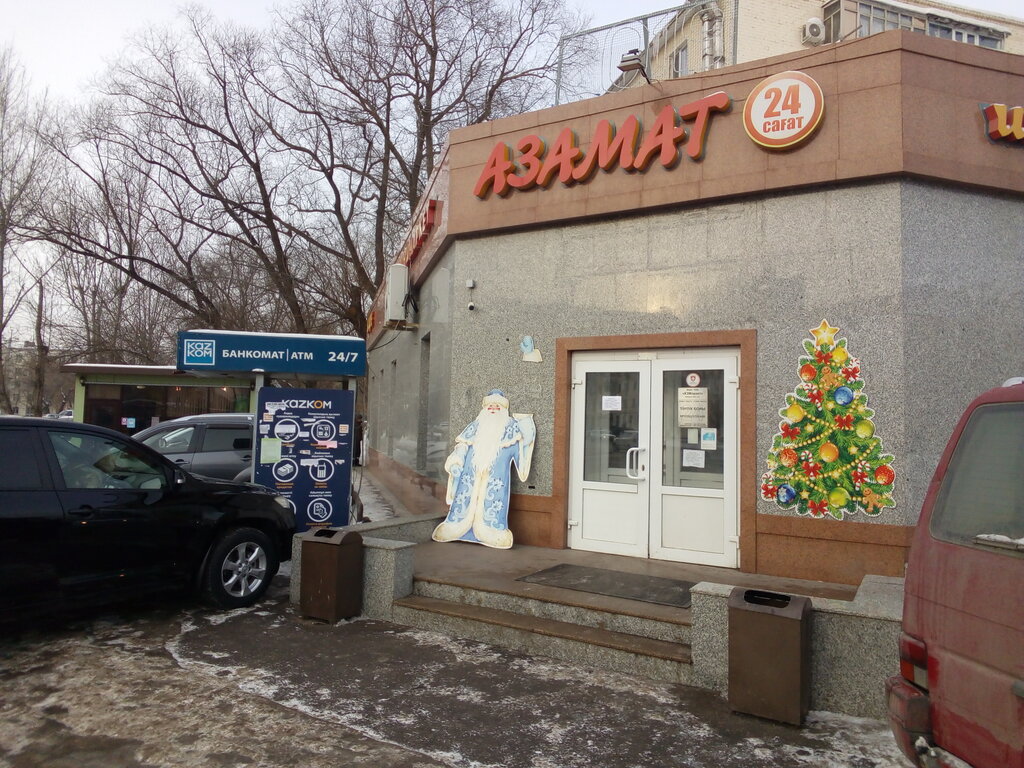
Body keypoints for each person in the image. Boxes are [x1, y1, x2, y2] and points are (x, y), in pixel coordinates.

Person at [432, 390, 536, 549]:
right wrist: (456, 462)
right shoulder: (475, 427)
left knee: (493, 505)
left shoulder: (511, 430)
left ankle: (493, 532)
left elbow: (522, 448)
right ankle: (456, 527)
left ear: (504, 409)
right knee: (464, 502)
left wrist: (527, 430)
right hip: (470, 477)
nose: (493, 409)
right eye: (490, 406)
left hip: (495, 480)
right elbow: (462, 446)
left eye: (497, 406)